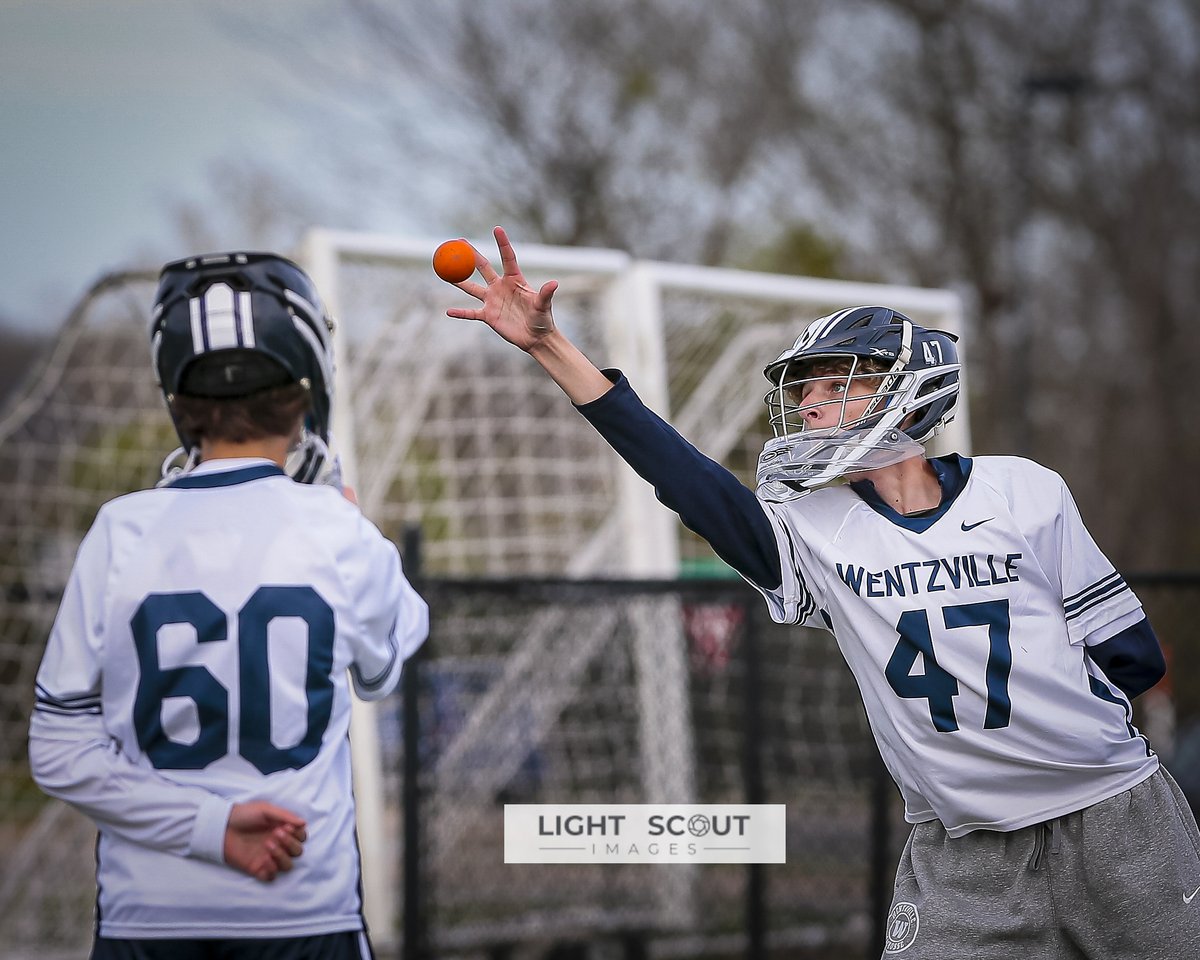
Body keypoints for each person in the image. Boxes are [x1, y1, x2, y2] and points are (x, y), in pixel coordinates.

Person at [442, 227, 1200, 959]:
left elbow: (1129, 658)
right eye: (806, 388)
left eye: (839, 385)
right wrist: (551, 346)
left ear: (908, 393)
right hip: (964, 850)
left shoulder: (1025, 491)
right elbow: (687, 481)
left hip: (1113, 819)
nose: (808, 404)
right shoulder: (814, 528)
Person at [29, 252, 429, 959]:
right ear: (309, 386)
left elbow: (60, 752)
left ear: (178, 397)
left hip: (146, 916)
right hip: (304, 911)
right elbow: (380, 672)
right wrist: (343, 515)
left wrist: (209, 827)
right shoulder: (337, 532)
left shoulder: (120, 531)